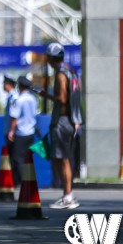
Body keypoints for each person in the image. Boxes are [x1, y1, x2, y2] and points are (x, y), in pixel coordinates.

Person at [37, 42, 82, 210]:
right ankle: (67, 194)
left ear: (51, 59)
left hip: (62, 121)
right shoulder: (71, 72)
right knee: (59, 158)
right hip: (71, 120)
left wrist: (45, 95)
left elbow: (62, 98)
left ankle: (68, 196)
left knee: (61, 159)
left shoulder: (61, 75)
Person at [8, 76, 38, 187]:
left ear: (19, 87)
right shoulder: (33, 99)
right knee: (28, 158)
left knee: (18, 158)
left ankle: (22, 182)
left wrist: (11, 131)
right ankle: (30, 180)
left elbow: (14, 116)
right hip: (31, 132)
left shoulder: (19, 100)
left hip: (21, 132)